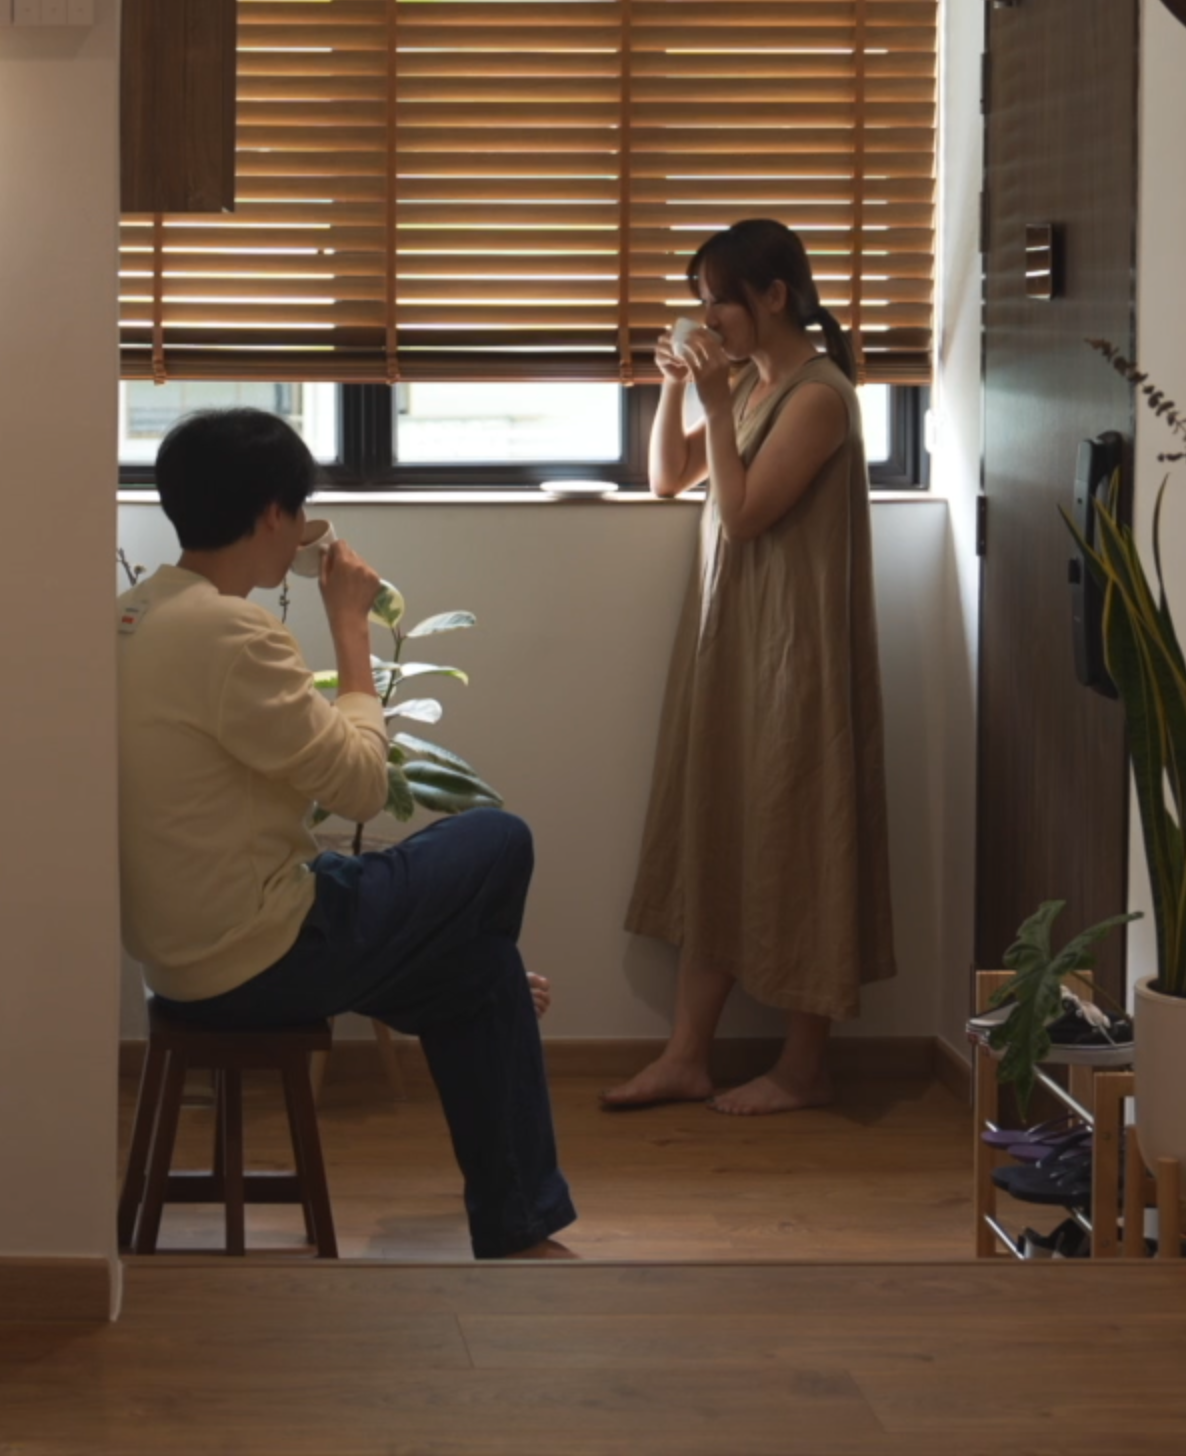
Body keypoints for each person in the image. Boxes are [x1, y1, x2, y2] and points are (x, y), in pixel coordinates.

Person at [117, 407, 576, 1259]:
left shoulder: (131, 618)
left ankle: (518, 1223)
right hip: (259, 957)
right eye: (302, 513)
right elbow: (364, 788)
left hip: (178, 956)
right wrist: (350, 625)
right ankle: (517, 1208)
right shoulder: (230, 631)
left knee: (479, 973)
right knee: (499, 839)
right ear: (273, 518)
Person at [603, 218, 897, 1118]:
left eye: (718, 303)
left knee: (806, 836)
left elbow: (744, 516)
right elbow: (666, 480)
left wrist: (721, 403)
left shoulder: (817, 397)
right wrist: (675, 392)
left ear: (773, 297)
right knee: (721, 828)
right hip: (738, 645)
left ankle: (805, 1067)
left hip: (795, 652)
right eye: (701, 306)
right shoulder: (764, 387)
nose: (709, 322)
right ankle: (688, 1054)